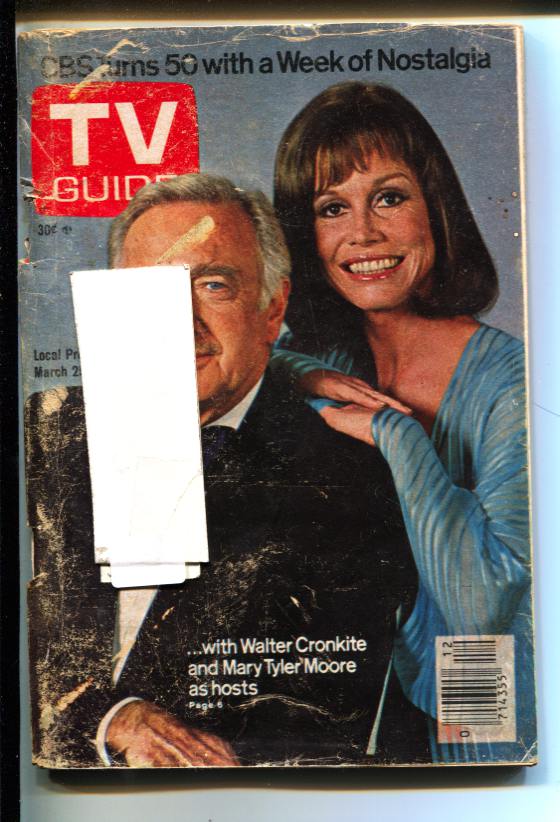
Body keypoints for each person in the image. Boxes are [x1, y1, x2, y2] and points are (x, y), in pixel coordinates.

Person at [26, 174, 420, 768]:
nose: (181, 322)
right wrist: (112, 719)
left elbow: (311, 728)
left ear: (272, 308)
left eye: (213, 285)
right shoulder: (52, 430)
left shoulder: (348, 481)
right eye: (150, 290)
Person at [272, 82, 534, 763]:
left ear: (435, 209)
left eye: (389, 198)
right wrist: (301, 373)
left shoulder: (514, 379)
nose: (363, 234)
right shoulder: (326, 358)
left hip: (474, 696)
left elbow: (479, 606)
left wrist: (397, 435)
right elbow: (241, 361)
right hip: (347, 700)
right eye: (333, 208)